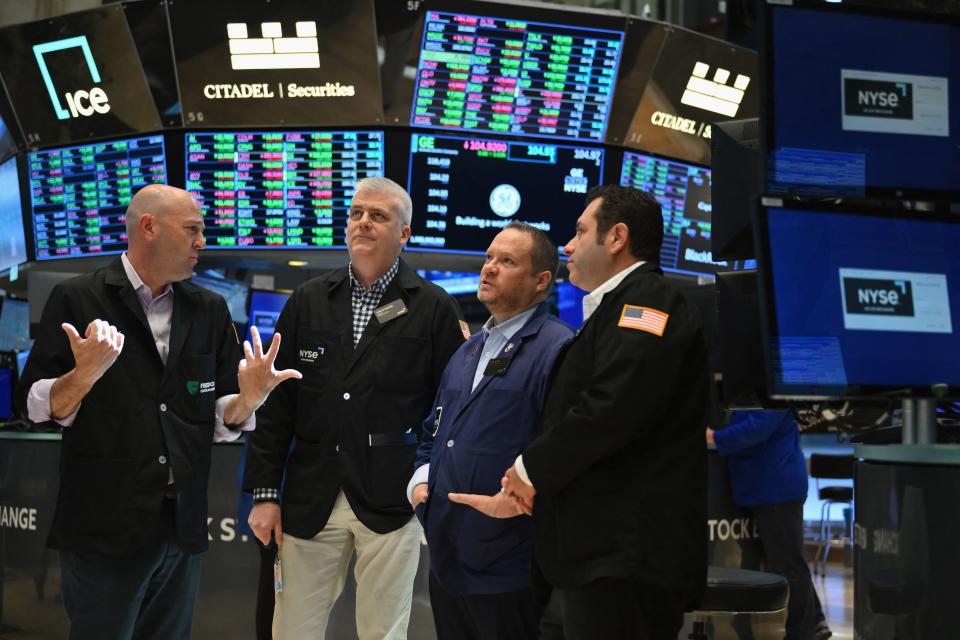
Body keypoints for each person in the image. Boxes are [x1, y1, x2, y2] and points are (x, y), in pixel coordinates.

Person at [15, 184, 300, 640]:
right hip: (104, 525)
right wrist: (83, 375)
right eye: (193, 230)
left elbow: (216, 415)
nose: (202, 242)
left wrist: (248, 400)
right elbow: (32, 405)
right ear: (148, 227)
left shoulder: (208, 309)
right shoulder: (79, 298)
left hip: (180, 523)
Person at [243, 176, 467, 640]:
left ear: (404, 234)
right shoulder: (308, 300)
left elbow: (446, 411)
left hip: (392, 499)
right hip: (311, 494)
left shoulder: (433, 308)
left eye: (378, 216)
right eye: (356, 213)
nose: (363, 222)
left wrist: (430, 481)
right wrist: (265, 493)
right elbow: (277, 404)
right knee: (291, 629)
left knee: (383, 632)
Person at [502, 185, 711, 639]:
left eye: (580, 231)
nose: (569, 246)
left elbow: (612, 407)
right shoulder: (613, 309)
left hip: (628, 560)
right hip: (598, 556)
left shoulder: (648, 302)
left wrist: (530, 469)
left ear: (616, 238)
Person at [408, 223, 574, 640]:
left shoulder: (558, 348)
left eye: (507, 261)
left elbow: (564, 448)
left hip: (509, 563)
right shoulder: (468, 350)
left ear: (541, 281)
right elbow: (435, 428)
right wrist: (422, 477)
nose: (490, 268)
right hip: (448, 556)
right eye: (488, 257)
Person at [708, 410, 833, 640]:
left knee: (788, 565)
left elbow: (755, 429)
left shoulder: (769, 394)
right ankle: (815, 621)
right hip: (765, 487)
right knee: (785, 560)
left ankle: (802, 632)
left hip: (776, 488)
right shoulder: (752, 393)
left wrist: (714, 438)